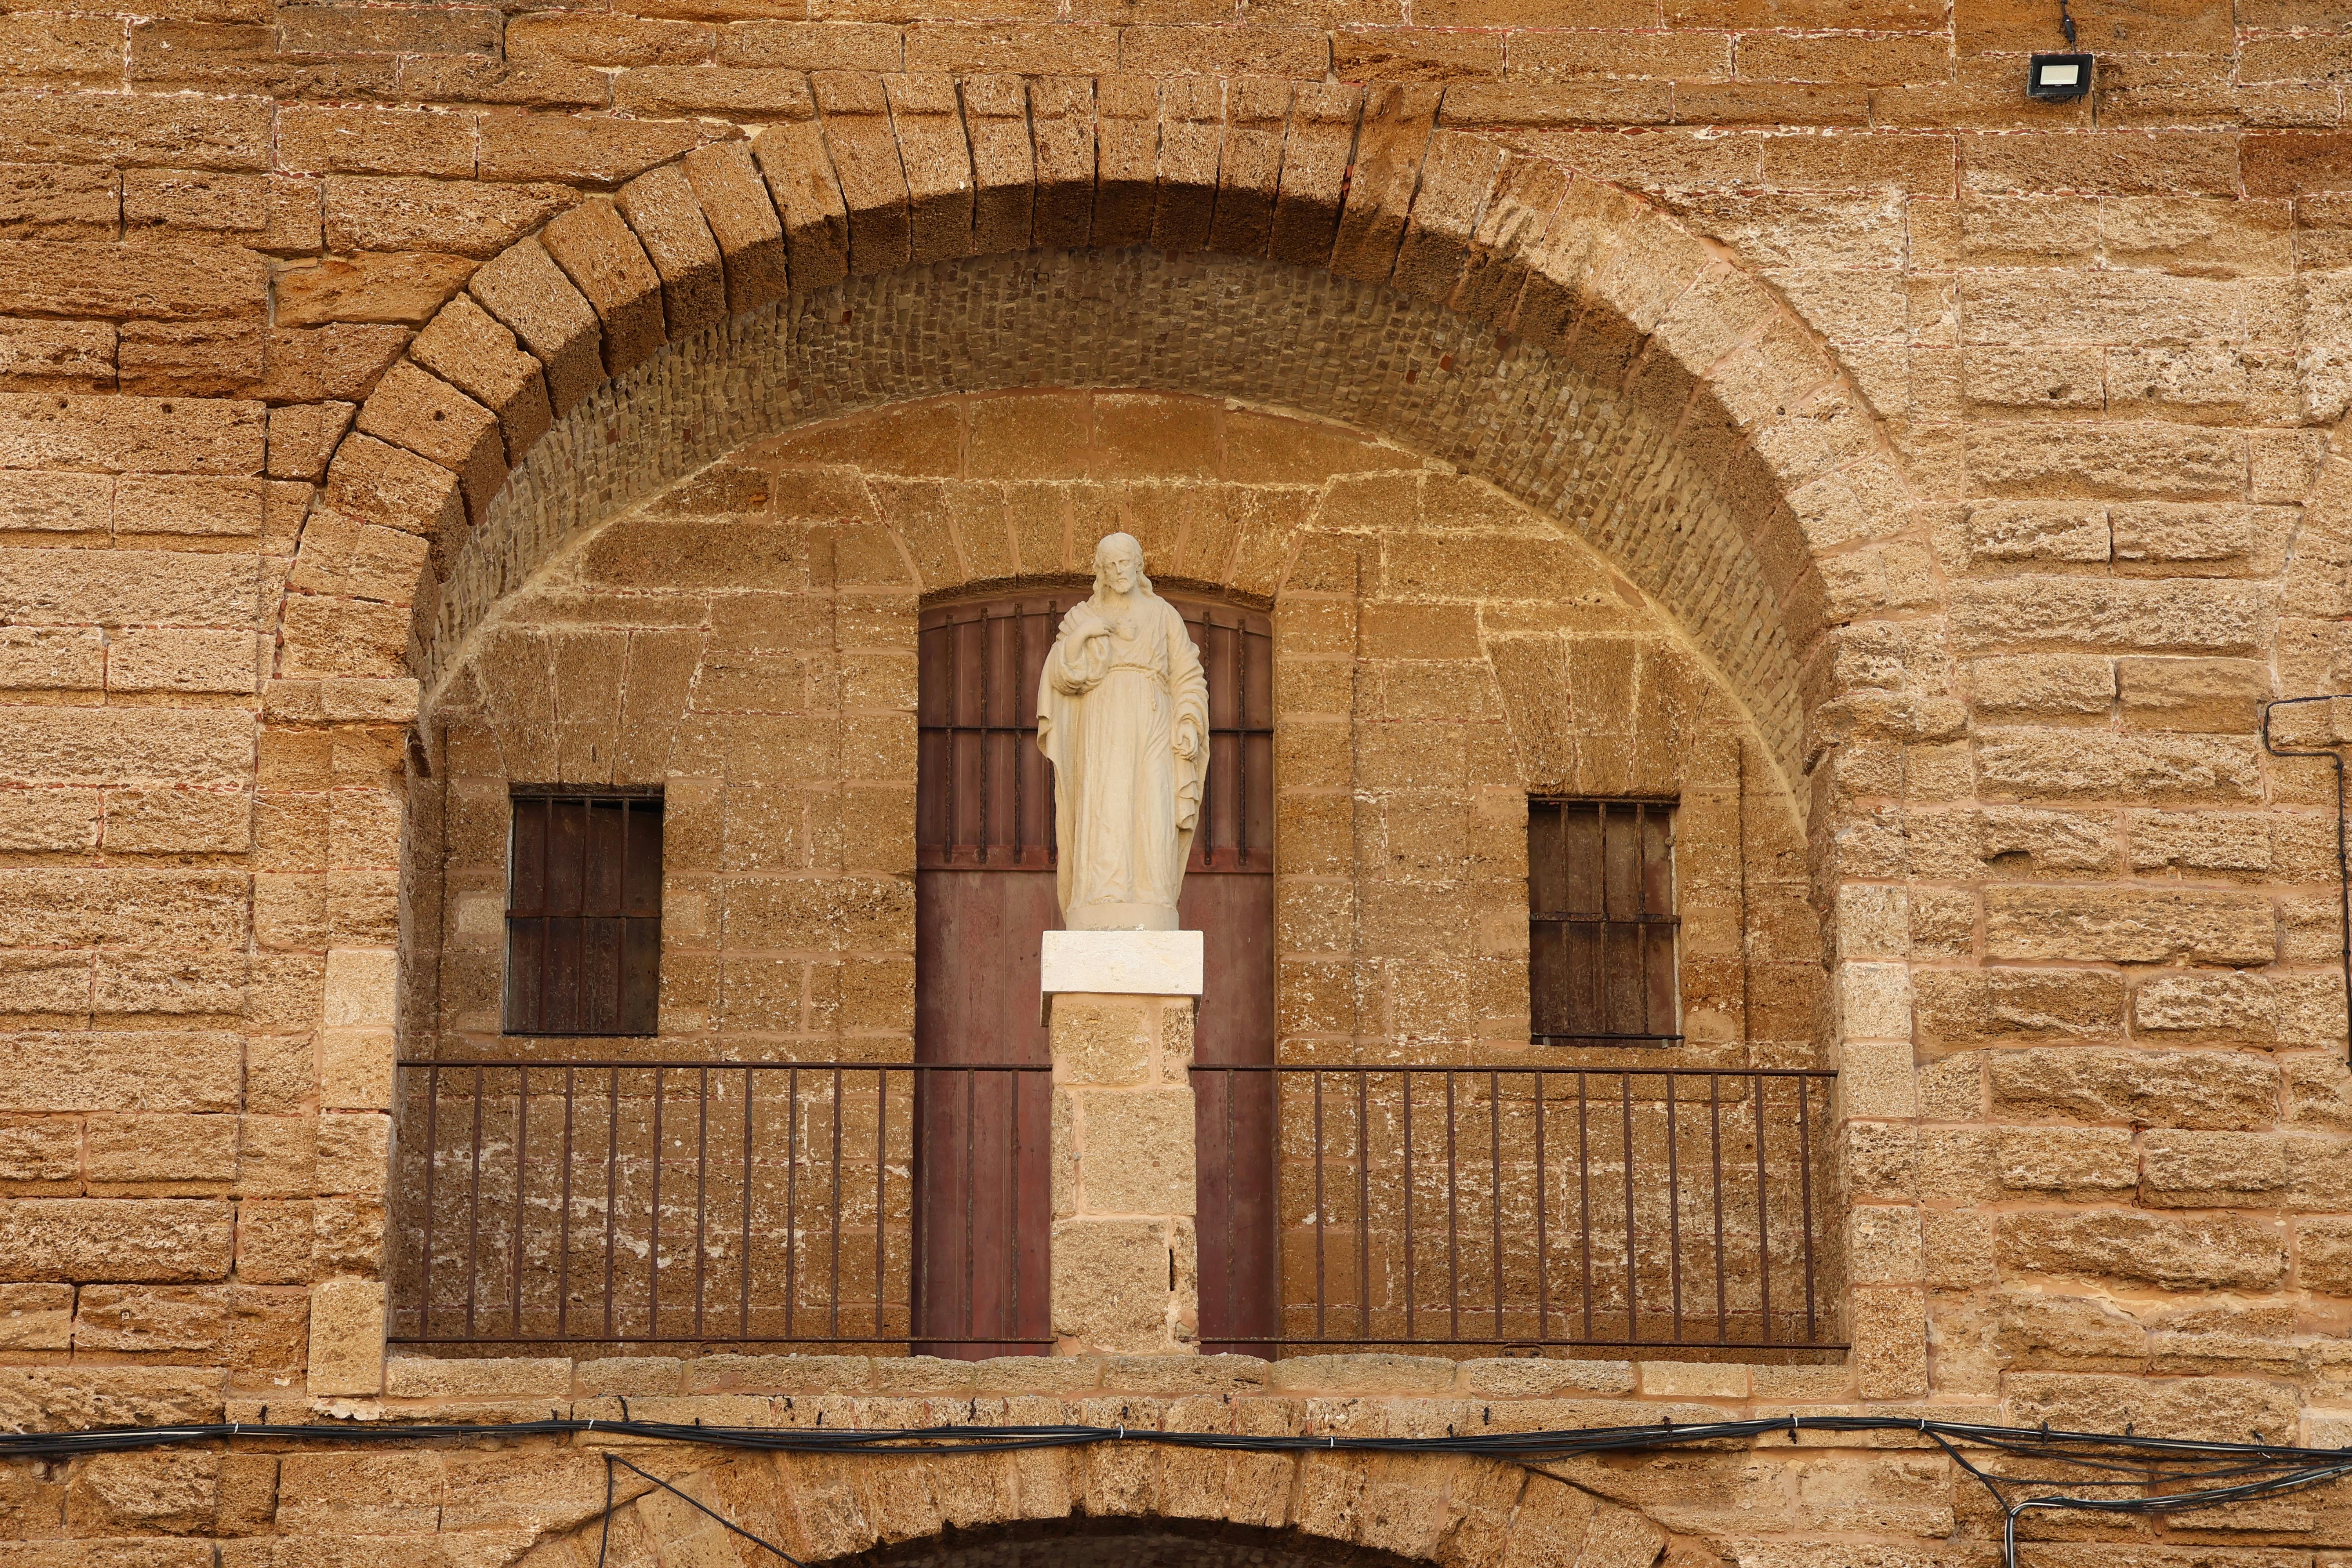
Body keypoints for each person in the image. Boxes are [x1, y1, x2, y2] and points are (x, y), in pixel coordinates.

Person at [1036, 534, 1209, 931]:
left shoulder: (1162, 613)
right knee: (1107, 800)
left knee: (1154, 800)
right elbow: (1063, 674)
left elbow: (1187, 673)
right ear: (1101, 570)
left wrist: (1188, 720)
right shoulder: (1087, 614)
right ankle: (1103, 892)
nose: (1119, 571)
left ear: (1138, 564)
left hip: (1153, 716)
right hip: (1104, 716)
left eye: (1126, 562)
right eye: (1111, 565)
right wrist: (1086, 632)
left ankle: (1153, 894)